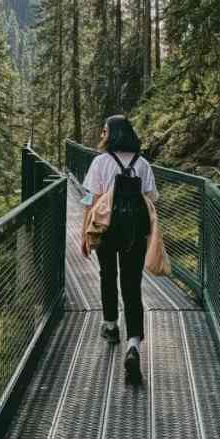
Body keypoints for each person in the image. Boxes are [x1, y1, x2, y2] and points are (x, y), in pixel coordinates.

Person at [80, 115, 157, 383]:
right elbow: (151, 199)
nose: (101, 134)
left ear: (111, 133)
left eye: (104, 130)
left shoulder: (100, 162)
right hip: (134, 231)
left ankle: (111, 326)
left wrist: (84, 233)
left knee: (108, 275)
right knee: (132, 284)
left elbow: (88, 198)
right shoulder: (143, 164)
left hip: (106, 228)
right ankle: (133, 343)